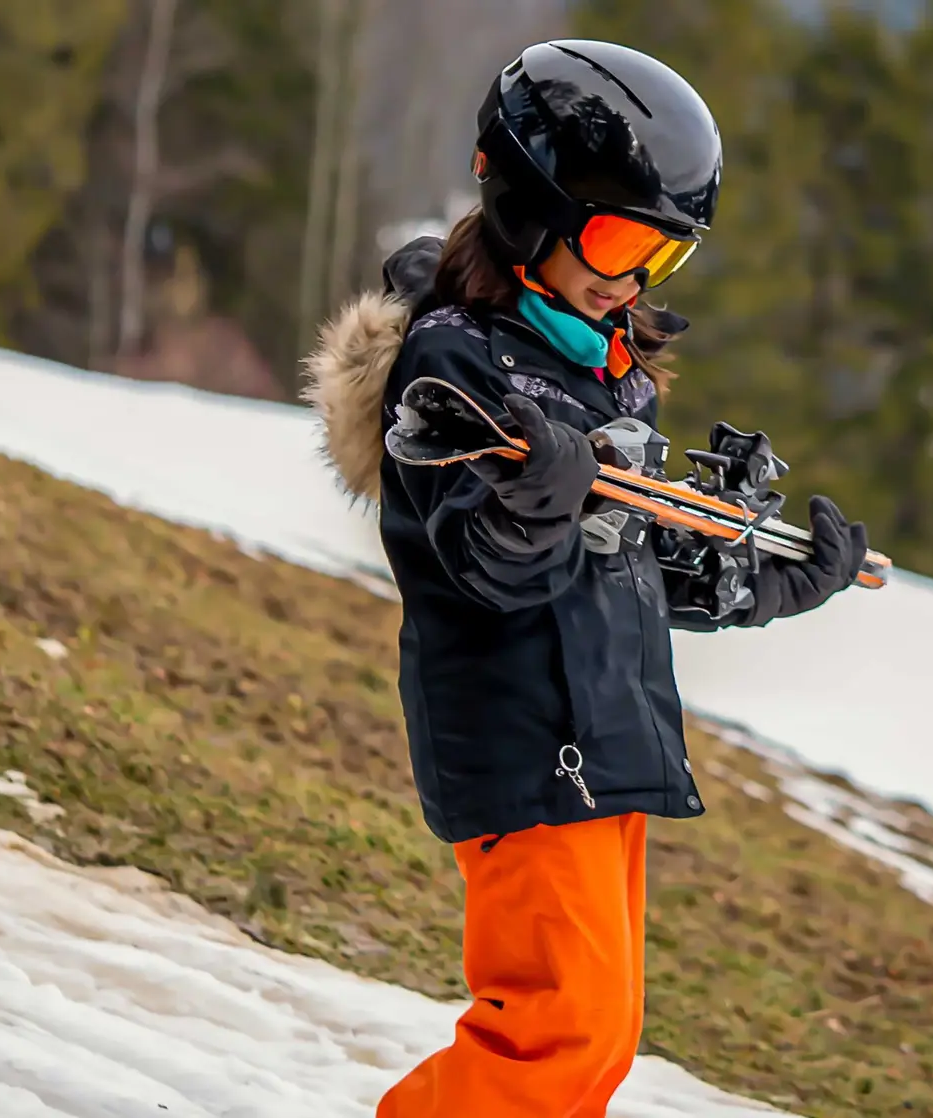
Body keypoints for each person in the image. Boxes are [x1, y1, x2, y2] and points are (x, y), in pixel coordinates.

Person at [301, 39, 869, 1118]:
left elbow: (632, 559)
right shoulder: (455, 363)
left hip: (604, 734)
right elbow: (482, 567)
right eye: (615, 240)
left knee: (595, 1037)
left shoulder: (601, 371)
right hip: (525, 738)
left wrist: (764, 579)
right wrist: (544, 492)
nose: (629, 279)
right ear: (528, 210)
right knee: (552, 1033)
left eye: (663, 259)